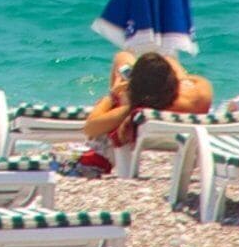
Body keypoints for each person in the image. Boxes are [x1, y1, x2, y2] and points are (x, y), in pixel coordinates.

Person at [79, 48, 213, 162]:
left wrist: (112, 95)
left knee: (122, 56)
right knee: (168, 59)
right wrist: (179, 79)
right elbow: (195, 79)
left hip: (150, 113)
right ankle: (156, 72)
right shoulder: (201, 95)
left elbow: (90, 128)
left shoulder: (134, 109)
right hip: (190, 133)